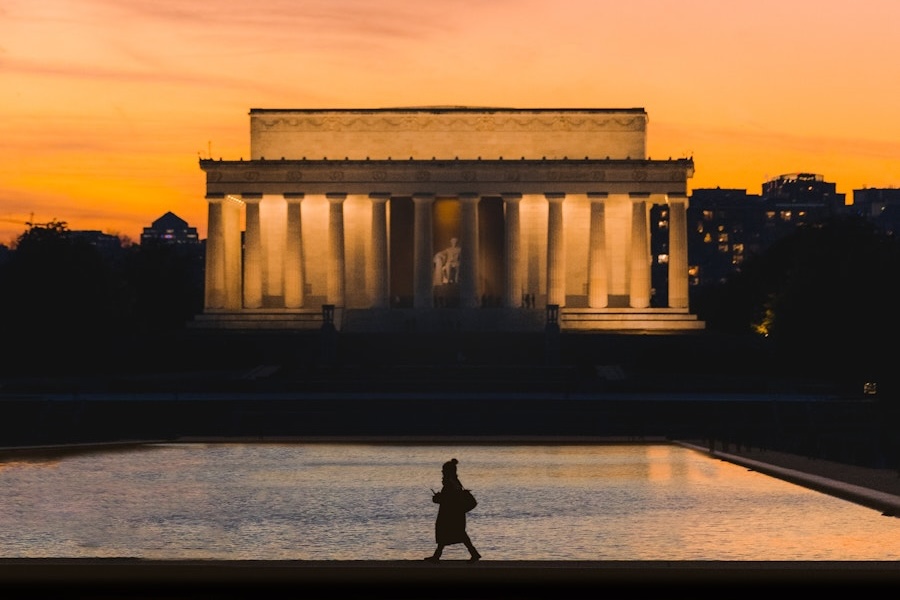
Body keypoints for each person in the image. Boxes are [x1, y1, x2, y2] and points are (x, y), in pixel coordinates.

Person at [425, 458, 481, 562]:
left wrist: (437, 498)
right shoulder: (455, 482)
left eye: (443, 470)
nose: (442, 472)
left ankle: (437, 556)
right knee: (457, 533)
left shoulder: (449, 483)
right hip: (456, 512)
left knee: (448, 532)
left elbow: (448, 498)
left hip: (450, 513)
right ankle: (473, 553)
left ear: (447, 471)